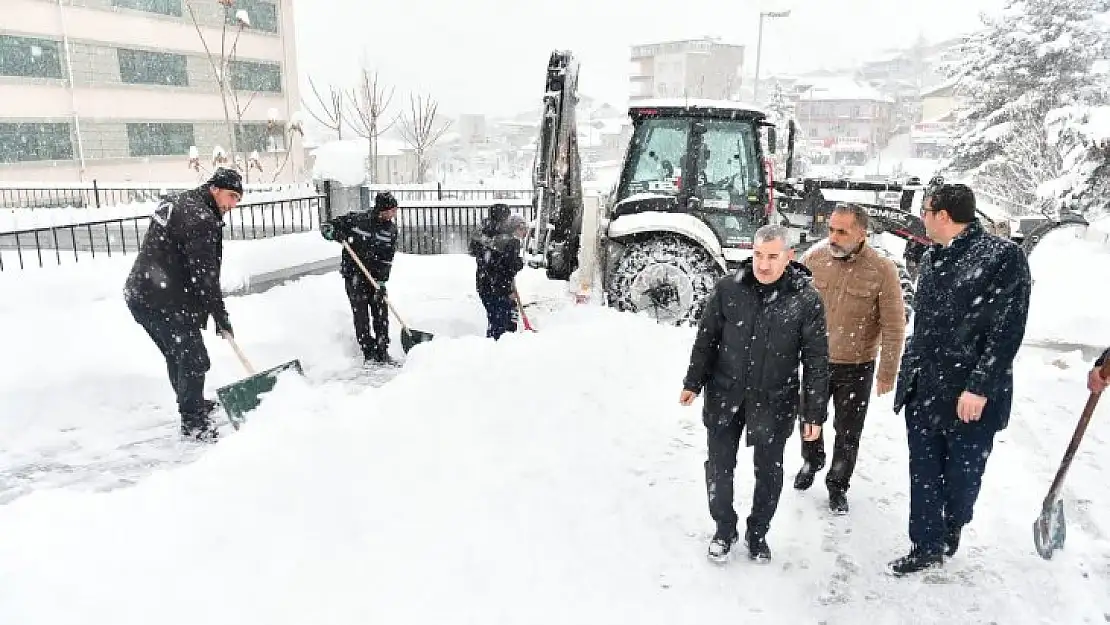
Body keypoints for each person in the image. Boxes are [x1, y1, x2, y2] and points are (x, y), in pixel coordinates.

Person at [889, 183, 1031, 576]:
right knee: (924, 469)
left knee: (962, 476)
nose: (922, 218)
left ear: (944, 216)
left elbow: (1007, 328)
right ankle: (927, 542)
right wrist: (908, 375)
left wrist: (979, 385)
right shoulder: (933, 257)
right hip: (925, 388)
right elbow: (925, 324)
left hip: (968, 394)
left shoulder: (1003, 258)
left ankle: (952, 524)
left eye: (926, 211)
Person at [679, 224, 830, 562]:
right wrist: (693, 381)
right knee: (719, 467)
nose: (763, 264)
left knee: (769, 472)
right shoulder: (729, 289)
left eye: (773, 257)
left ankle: (758, 532)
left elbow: (817, 360)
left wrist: (814, 414)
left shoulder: (805, 299)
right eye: (759, 255)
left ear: (789, 257)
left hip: (774, 399)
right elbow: (707, 340)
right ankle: (723, 528)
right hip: (725, 392)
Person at [794, 203, 907, 514]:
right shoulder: (814, 259)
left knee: (848, 432)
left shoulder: (882, 270)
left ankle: (837, 483)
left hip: (857, 366)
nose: (833, 236)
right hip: (817, 363)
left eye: (842, 231)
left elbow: (894, 325)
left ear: (862, 234)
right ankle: (812, 460)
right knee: (808, 420)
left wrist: (887, 372)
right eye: (831, 229)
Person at [124, 168, 243, 442]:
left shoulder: (182, 202)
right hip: (161, 299)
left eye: (237, 199)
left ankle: (192, 404)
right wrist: (220, 316)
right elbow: (205, 276)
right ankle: (194, 423)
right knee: (193, 358)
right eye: (231, 196)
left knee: (178, 355)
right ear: (214, 189)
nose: (233, 205)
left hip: (144, 293)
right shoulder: (200, 218)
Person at [321, 191, 399, 364]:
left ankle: (382, 350)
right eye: (392, 210)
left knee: (381, 313)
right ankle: (368, 352)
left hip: (375, 277)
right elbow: (328, 227)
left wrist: (382, 282)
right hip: (354, 275)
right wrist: (333, 232)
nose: (394, 214)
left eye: (395, 210)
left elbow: (388, 258)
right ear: (382, 210)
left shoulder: (391, 230)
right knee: (361, 315)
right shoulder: (357, 220)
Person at [469, 204, 526, 339]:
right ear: (505, 218)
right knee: (506, 324)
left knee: (494, 321)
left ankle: (492, 347)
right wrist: (519, 263)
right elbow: (509, 266)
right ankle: (503, 350)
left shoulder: (481, 236)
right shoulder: (509, 241)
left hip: (484, 285)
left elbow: (474, 252)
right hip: (501, 288)